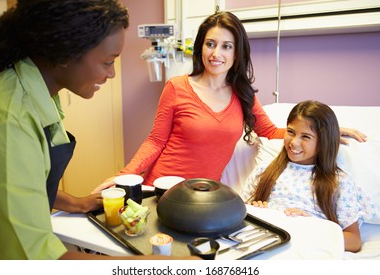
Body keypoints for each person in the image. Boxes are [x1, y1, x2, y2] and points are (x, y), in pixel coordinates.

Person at [0, 0, 198, 260]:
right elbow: (36, 259)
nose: (111, 74)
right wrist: (160, 266)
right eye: (108, 62)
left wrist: (75, 202)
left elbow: (29, 181)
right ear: (65, 54)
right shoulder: (11, 118)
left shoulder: (35, 92)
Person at [94, 11, 366, 190]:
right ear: (200, 46)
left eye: (226, 46)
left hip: (204, 194)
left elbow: (270, 131)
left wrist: (325, 130)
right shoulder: (177, 87)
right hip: (162, 186)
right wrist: (123, 176)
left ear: (237, 53)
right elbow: (155, 141)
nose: (216, 54)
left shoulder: (242, 94)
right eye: (211, 44)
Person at [242, 100, 375, 253]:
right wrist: (255, 212)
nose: (294, 142)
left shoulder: (339, 182)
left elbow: (354, 241)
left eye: (306, 137)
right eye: (291, 132)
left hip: (305, 248)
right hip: (265, 246)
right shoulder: (264, 170)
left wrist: (312, 228)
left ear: (323, 141)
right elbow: (236, 219)